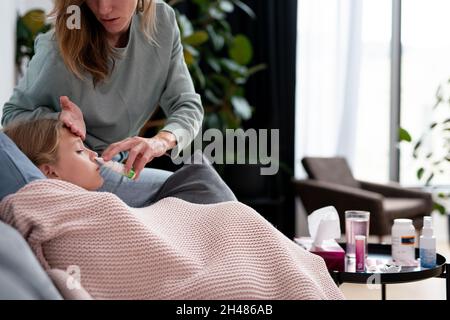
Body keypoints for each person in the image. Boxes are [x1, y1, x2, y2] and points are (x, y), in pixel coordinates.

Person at [2, 119, 344, 300]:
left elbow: (186, 107)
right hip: (208, 262)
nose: (94, 155)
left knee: (239, 219)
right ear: (48, 172)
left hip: (223, 228)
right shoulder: (45, 205)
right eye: (79, 151)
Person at [2, 0, 204, 208]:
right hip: (82, 169)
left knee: (201, 184)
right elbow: (11, 115)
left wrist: (161, 141)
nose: (103, 9)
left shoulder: (162, 21)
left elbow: (187, 105)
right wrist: (59, 118)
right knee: (198, 186)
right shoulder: (58, 48)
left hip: (119, 165)